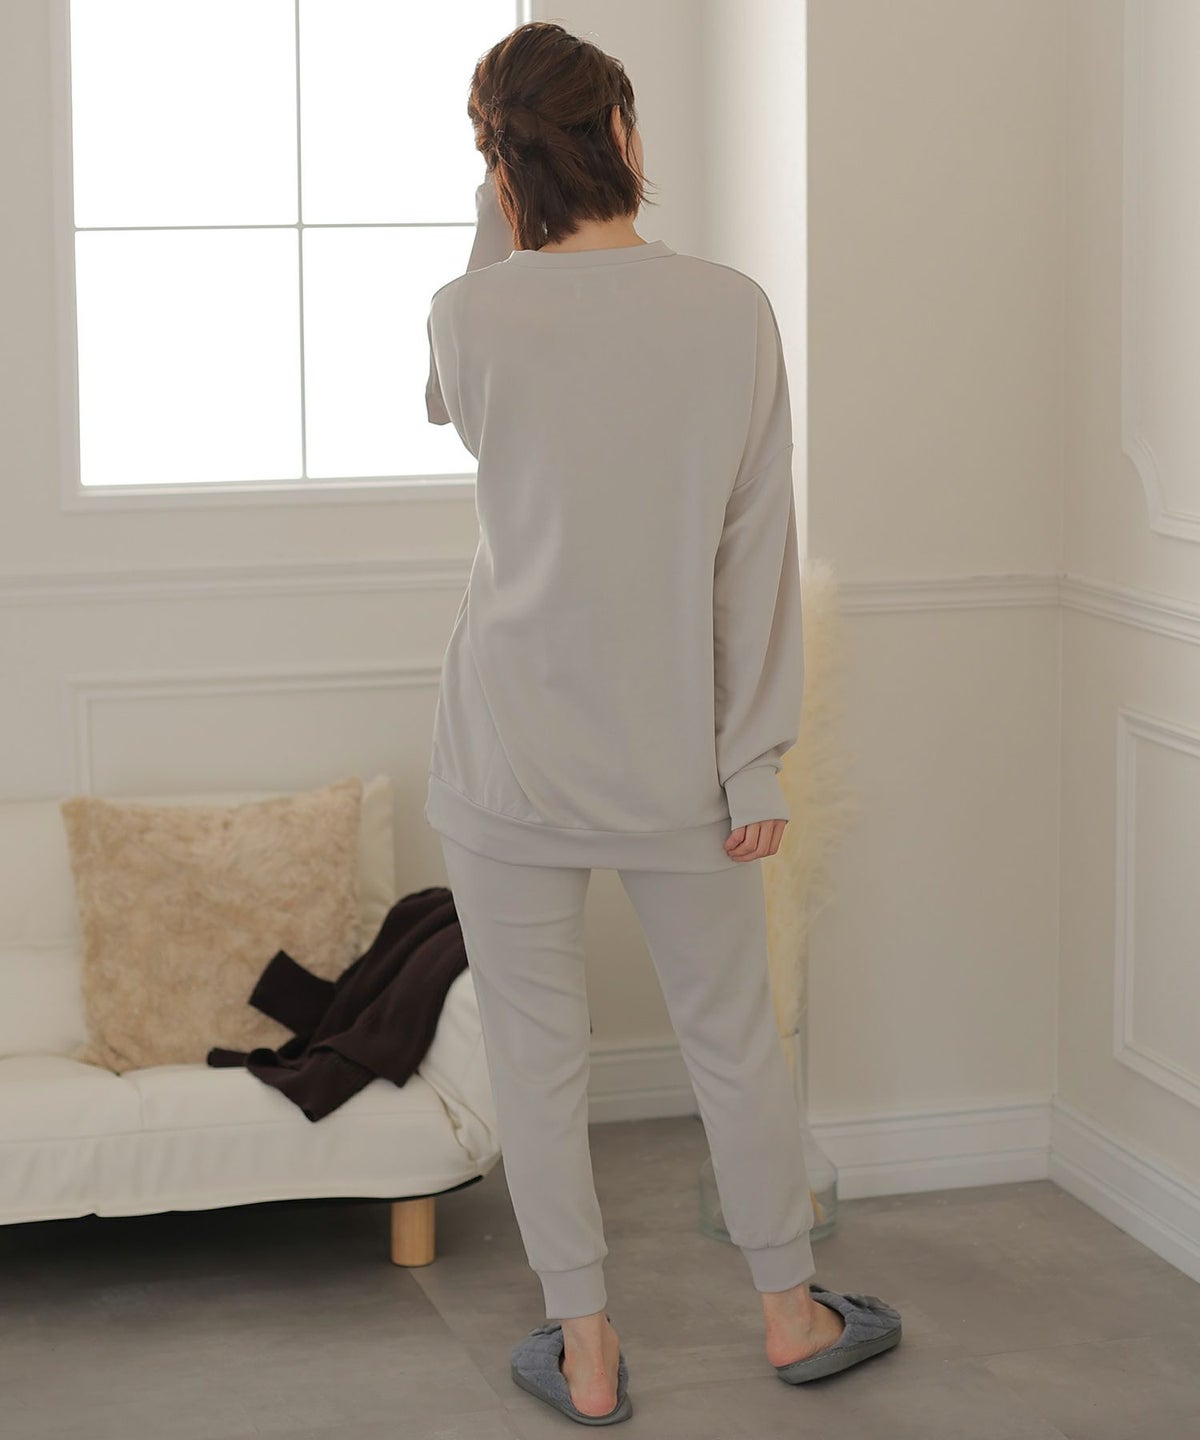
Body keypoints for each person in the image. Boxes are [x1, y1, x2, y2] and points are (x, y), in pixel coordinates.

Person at [423, 20, 901, 1425]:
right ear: (623, 135)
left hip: (502, 749)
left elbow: (448, 404)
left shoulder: (469, 314)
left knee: (535, 1055)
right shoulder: (732, 311)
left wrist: (498, 213)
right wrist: (754, 755)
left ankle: (585, 1348)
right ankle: (788, 1312)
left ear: (503, 166)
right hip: (683, 756)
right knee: (732, 1041)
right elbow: (757, 555)